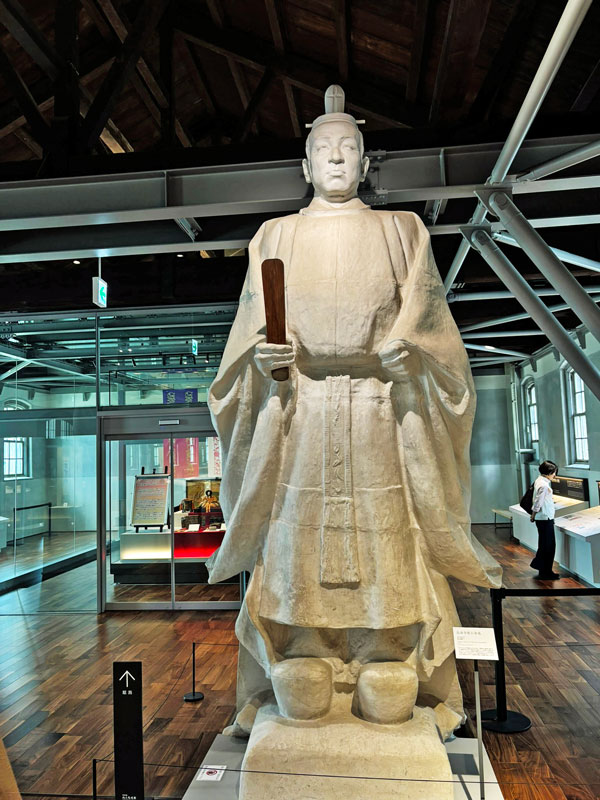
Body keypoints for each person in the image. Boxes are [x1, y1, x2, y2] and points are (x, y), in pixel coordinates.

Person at [206, 86, 501, 737]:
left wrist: (412, 354)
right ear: (305, 166)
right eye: (322, 149)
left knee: (387, 529)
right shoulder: (274, 236)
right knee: (295, 530)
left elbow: (433, 330)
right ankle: (303, 648)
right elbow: (243, 351)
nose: (337, 158)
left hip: (378, 412)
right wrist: (265, 357)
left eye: (349, 148)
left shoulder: (400, 231)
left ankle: (385, 650)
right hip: (300, 415)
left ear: (366, 163)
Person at [530, 460, 560, 580]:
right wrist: (533, 514)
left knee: (544, 544)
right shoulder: (543, 485)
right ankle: (546, 571)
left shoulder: (539, 480)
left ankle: (543, 568)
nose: (555, 475)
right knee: (549, 545)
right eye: (554, 473)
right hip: (545, 517)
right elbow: (538, 502)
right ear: (549, 472)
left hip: (543, 518)